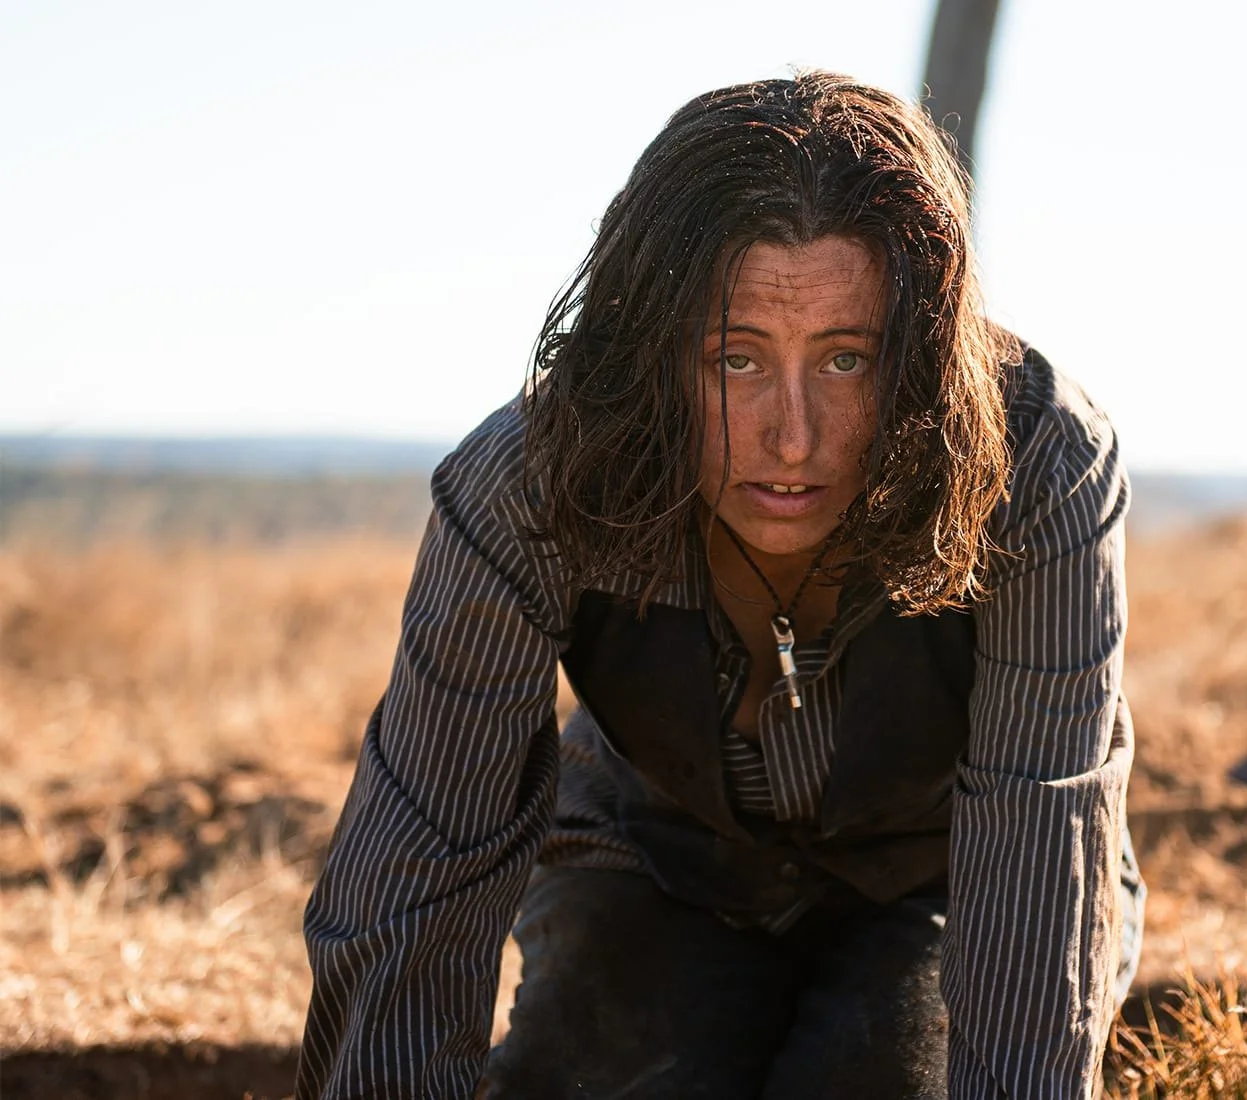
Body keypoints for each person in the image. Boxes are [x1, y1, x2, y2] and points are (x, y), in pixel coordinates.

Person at [296, 71, 1144, 1100]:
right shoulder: (529, 481)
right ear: (653, 351)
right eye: (735, 359)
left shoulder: (1038, 464)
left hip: (945, 877)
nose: (791, 436)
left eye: (844, 360)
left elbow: (1033, 863)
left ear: (917, 356)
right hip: (650, 857)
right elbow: (423, 864)